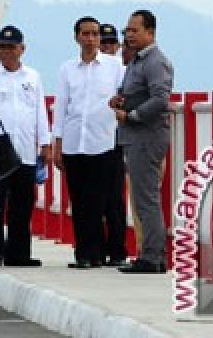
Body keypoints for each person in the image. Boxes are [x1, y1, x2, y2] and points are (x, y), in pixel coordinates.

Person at [52, 16, 125, 269]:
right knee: (79, 201)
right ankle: (84, 254)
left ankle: (104, 251)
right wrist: (57, 144)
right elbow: (61, 107)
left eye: (95, 34)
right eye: (86, 34)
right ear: (76, 37)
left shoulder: (115, 67)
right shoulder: (67, 69)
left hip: (104, 142)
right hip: (74, 143)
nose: (91, 39)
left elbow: (124, 97)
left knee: (100, 200)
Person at [113, 9, 174, 274]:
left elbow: (161, 99)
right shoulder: (136, 62)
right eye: (127, 30)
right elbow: (138, 92)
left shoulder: (154, 62)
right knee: (141, 198)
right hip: (134, 136)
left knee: (146, 199)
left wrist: (132, 115)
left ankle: (152, 256)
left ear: (150, 32)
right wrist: (119, 100)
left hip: (146, 137)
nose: (129, 35)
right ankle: (150, 253)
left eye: (134, 30)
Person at [0, 25, 51, 267]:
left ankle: (19, 253)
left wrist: (44, 143)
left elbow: (39, 111)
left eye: (11, 47)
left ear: (22, 49)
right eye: (2, 47)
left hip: (25, 151)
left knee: (22, 206)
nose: (6, 52)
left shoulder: (32, 77)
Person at [98, 23, 130, 266]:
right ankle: (96, 248)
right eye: (103, 42)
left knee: (115, 200)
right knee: (94, 199)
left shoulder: (121, 70)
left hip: (117, 140)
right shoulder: (91, 68)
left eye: (111, 42)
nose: (107, 47)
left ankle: (118, 250)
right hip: (94, 141)